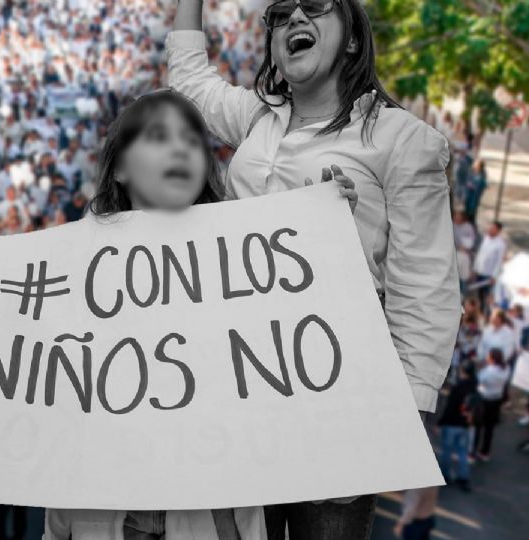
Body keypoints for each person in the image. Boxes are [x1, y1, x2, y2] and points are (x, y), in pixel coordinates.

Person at [0, 91, 278, 539]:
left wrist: (332, 234)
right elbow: (12, 352)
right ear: (119, 168)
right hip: (105, 506)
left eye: (191, 141)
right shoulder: (69, 263)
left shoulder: (243, 261)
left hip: (208, 510)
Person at [169, 1, 460, 537]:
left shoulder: (401, 139)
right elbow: (189, 80)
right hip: (241, 384)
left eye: (316, 6)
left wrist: (409, 412)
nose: (295, 18)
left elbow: (425, 284)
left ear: (352, 38)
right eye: (280, 14)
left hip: (341, 398)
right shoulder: (258, 116)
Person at [435, 363, 476, 492]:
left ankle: (445, 475)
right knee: (462, 453)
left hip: (452, 424)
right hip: (464, 425)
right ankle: (463, 477)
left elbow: (450, 407)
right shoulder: (473, 387)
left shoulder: (458, 387)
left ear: (463, 372)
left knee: (447, 451)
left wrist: (440, 423)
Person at [471, 348, 510, 461]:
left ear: (492, 358)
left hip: (484, 399)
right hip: (496, 400)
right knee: (489, 427)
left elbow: (479, 381)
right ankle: (485, 452)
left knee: (477, 426)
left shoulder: (488, 371)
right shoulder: (506, 369)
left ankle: (472, 451)